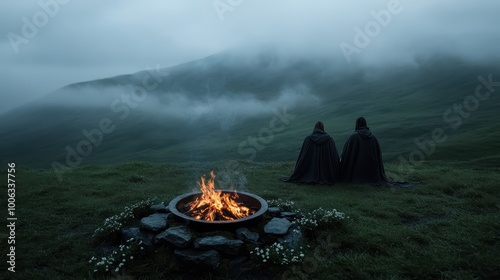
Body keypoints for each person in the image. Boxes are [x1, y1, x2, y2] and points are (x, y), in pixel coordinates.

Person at [340, 117, 389, 184]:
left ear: (357, 124)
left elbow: (346, 155)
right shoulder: (373, 138)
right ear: (365, 124)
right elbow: (378, 157)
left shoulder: (353, 137)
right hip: (372, 172)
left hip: (357, 171)